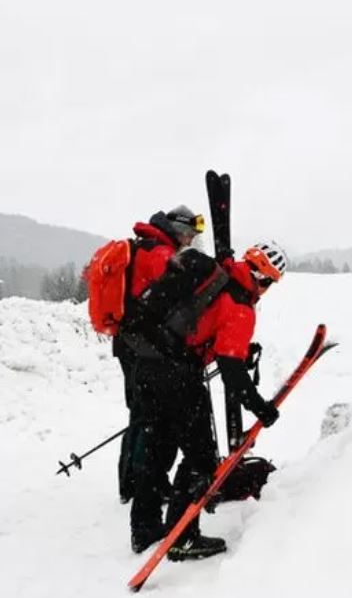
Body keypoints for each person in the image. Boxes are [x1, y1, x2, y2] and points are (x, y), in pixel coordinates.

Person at [127, 240, 287, 561]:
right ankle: (182, 538)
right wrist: (261, 408)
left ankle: (144, 528)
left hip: (146, 361)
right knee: (200, 458)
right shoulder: (240, 305)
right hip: (177, 376)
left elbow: (205, 327)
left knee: (159, 446)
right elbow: (231, 371)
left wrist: (237, 351)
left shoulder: (218, 274)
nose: (266, 289)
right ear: (263, 278)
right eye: (269, 282)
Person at [115, 206, 203, 503]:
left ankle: (132, 482)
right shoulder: (160, 254)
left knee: (140, 414)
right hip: (142, 345)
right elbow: (169, 300)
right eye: (189, 235)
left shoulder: (145, 246)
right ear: (179, 230)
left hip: (129, 341)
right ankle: (142, 484)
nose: (190, 241)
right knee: (148, 418)